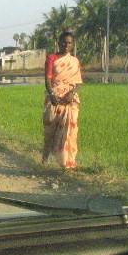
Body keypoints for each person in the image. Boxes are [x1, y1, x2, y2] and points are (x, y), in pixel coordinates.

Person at [42, 31, 83, 169]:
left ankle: (67, 163)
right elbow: (47, 80)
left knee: (69, 131)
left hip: (70, 100)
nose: (66, 44)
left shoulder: (75, 61)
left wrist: (72, 93)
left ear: (72, 45)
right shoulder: (52, 58)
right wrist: (52, 95)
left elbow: (77, 82)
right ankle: (45, 160)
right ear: (59, 43)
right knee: (50, 130)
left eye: (69, 42)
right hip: (54, 98)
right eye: (64, 42)